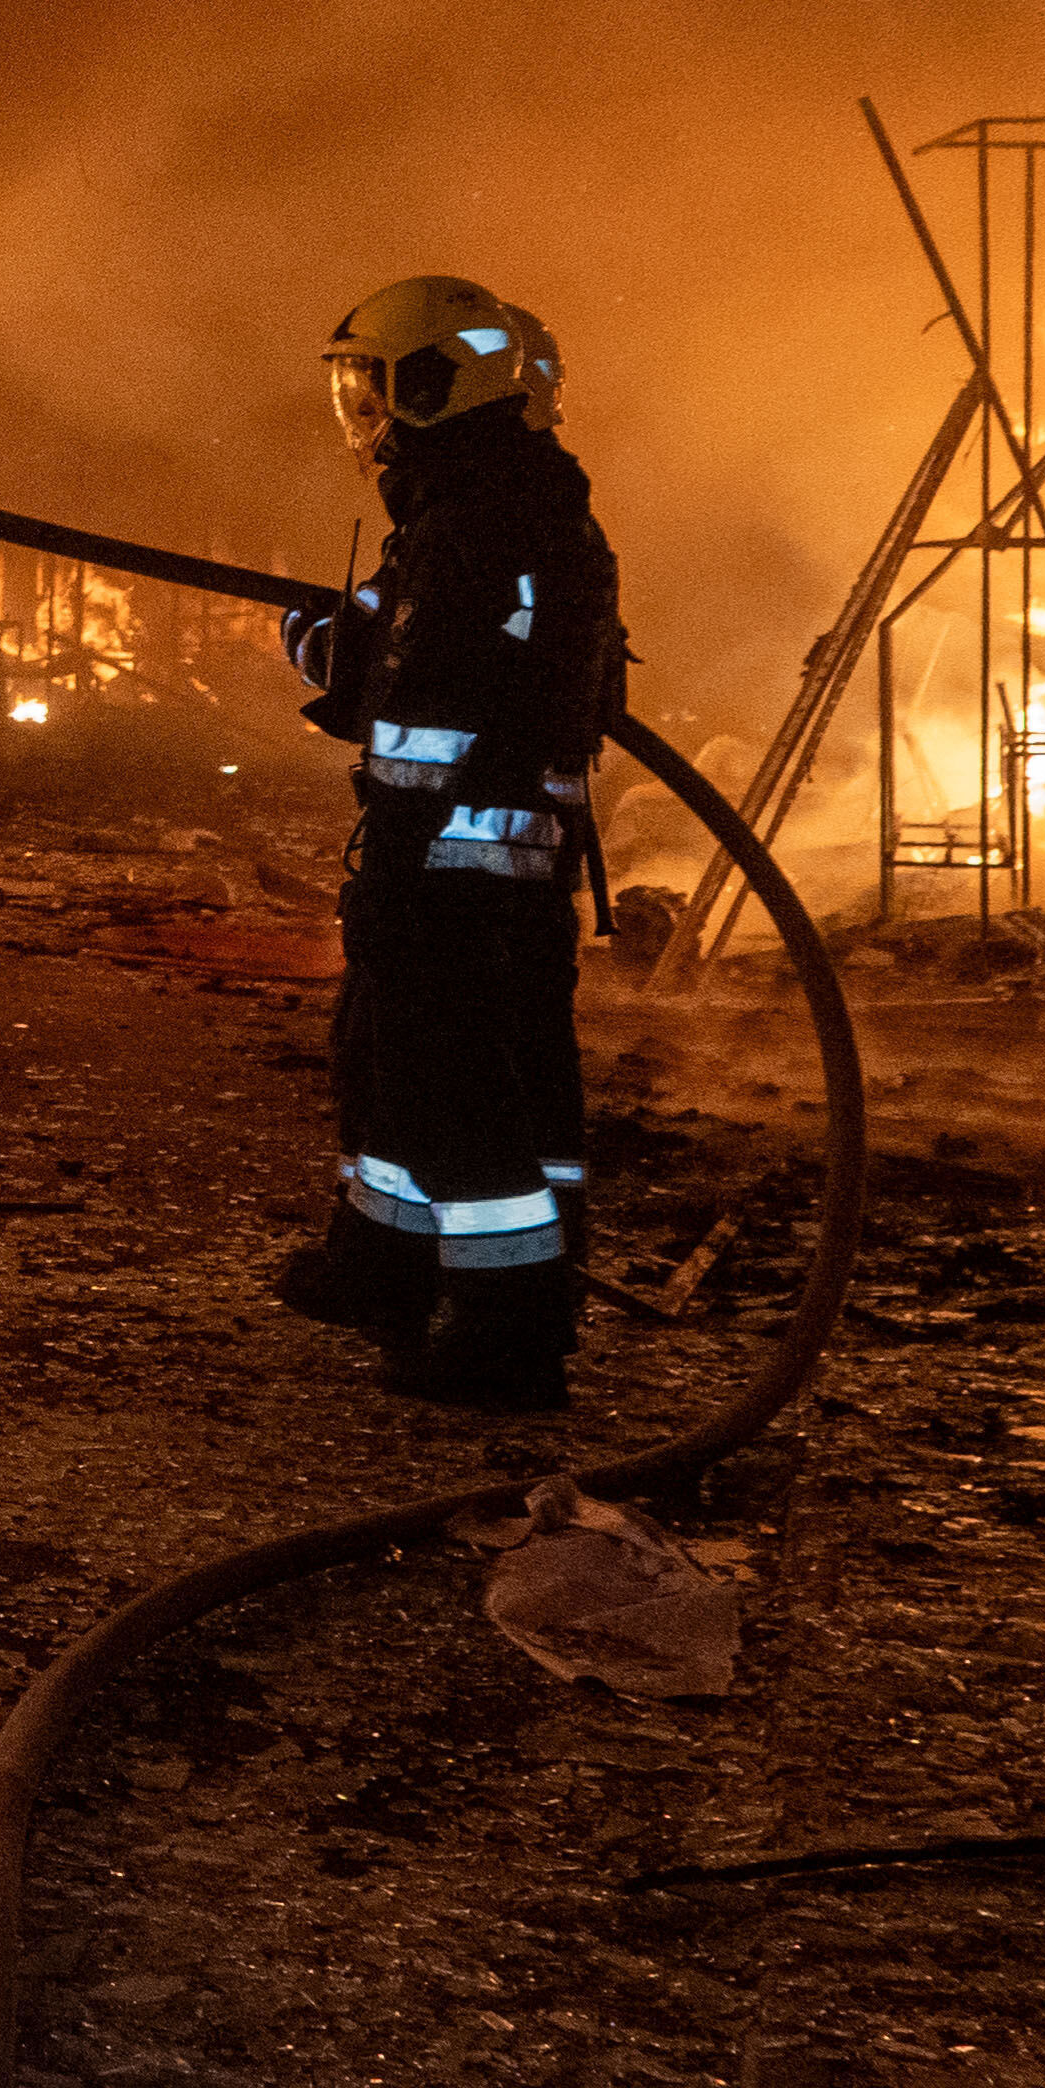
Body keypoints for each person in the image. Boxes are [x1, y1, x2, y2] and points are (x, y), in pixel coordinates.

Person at [273, 273, 622, 1410]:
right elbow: (388, 638)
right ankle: (385, 1262)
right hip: (492, 857)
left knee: (455, 1090)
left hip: (449, 861)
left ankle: (505, 1335)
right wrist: (331, 637)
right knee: (402, 1067)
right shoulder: (491, 504)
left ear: (436, 381)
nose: (361, 412)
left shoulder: (475, 523)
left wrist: (335, 662)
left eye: (373, 385)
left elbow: (410, 694)